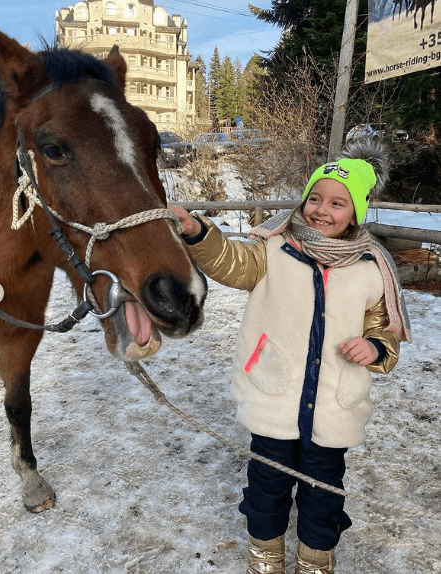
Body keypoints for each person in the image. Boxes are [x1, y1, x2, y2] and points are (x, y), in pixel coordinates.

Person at [170, 138, 411, 574]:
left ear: (357, 212)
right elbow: (232, 263)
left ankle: (316, 560)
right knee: (267, 487)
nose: (321, 209)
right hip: (273, 394)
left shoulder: (371, 268)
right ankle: (265, 558)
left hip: (335, 406)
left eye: (337, 203)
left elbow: (385, 330)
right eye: (314, 198)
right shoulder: (275, 248)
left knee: (323, 492)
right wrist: (200, 234)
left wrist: (374, 346)